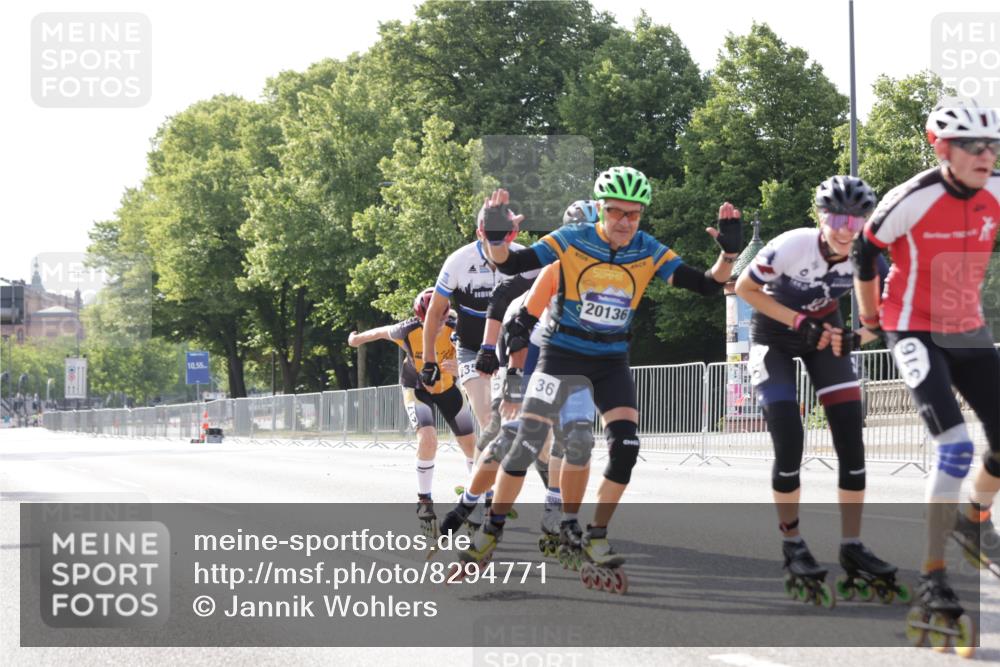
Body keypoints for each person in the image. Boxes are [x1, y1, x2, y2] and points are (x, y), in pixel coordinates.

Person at [443, 166, 742, 577]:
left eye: (634, 214)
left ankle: (592, 532)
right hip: (562, 354)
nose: (625, 222)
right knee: (525, 442)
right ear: (601, 209)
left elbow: (706, 284)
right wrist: (496, 238)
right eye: (616, 212)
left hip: (609, 360)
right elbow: (512, 264)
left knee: (622, 446)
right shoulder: (572, 240)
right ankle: (492, 528)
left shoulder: (646, 248)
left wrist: (728, 256)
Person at [852, 97, 1000, 647]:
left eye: (992, 145)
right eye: (972, 145)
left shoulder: (995, 190)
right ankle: (933, 577)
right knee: (955, 446)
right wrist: (871, 318)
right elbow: (864, 254)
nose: (985, 155)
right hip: (912, 327)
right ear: (941, 148)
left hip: (967, 329)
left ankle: (973, 519)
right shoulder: (912, 198)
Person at [736, 175, 901, 607]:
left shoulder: (868, 257)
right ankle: (792, 542)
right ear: (821, 217)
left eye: (856, 220)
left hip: (825, 336)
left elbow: (885, 316)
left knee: (851, 439)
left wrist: (858, 338)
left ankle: (852, 544)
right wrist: (798, 321)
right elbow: (744, 288)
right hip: (774, 336)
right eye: (837, 219)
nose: (846, 229)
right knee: (790, 439)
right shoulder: (793, 245)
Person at [348, 288, 477, 534]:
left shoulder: (459, 327)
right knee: (428, 439)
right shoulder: (406, 330)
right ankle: (424, 501)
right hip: (417, 388)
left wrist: (462, 367)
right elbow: (379, 332)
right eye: (429, 321)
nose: (436, 326)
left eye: (440, 320)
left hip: (447, 387)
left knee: (471, 445)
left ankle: (476, 496)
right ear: (419, 318)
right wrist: (355, 340)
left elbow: (482, 353)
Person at [419, 211, 539, 435]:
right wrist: (429, 361)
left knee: (521, 426)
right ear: (479, 234)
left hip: (514, 350)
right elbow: (434, 312)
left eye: (504, 238)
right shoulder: (458, 261)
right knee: (491, 425)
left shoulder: (525, 258)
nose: (498, 247)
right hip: (472, 349)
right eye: (492, 239)